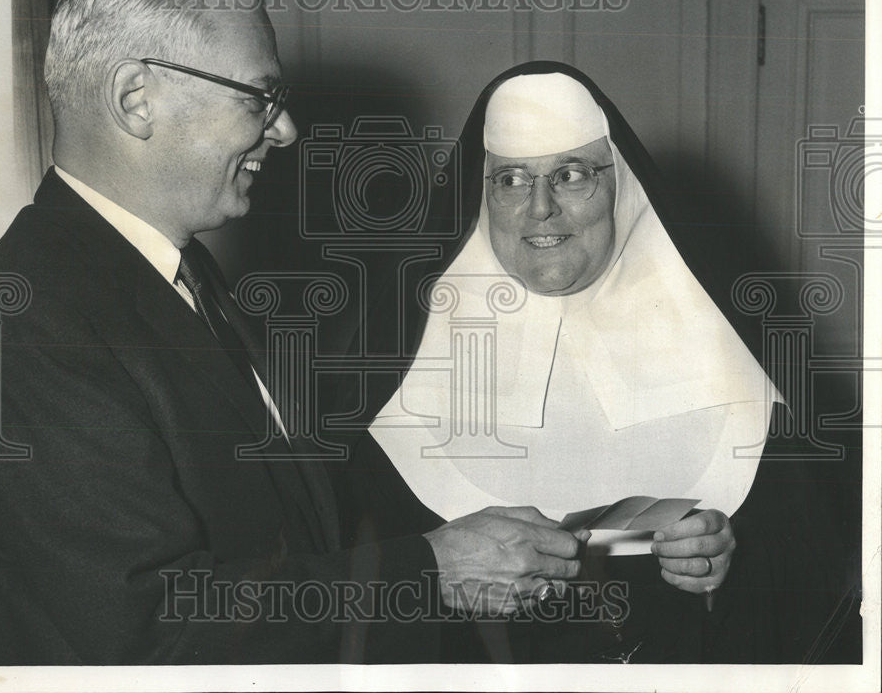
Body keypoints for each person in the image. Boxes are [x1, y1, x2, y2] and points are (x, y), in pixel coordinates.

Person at [0, 0, 587, 665]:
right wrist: (432, 571)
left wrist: (600, 537)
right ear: (135, 99)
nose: (286, 130)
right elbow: (150, 626)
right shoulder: (20, 324)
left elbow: (307, 528)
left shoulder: (185, 279)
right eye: (258, 98)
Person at [345, 62, 846, 662]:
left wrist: (726, 564)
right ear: (482, 197)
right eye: (509, 180)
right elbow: (339, 585)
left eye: (571, 174)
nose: (539, 209)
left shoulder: (734, 366)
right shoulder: (384, 382)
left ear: (622, 186)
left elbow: (819, 577)